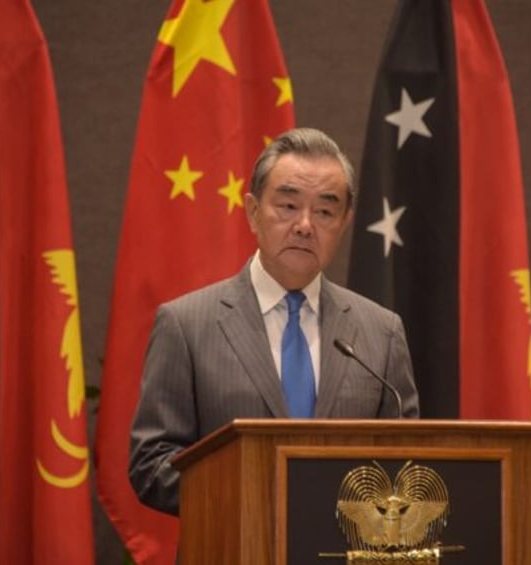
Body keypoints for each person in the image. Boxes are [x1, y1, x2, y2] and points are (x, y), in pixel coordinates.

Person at [128, 127, 419, 516]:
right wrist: (259, 496)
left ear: (344, 222)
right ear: (252, 211)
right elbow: (152, 465)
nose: (304, 225)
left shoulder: (381, 333)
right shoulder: (186, 325)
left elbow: (408, 463)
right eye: (287, 206)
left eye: (325, 211)